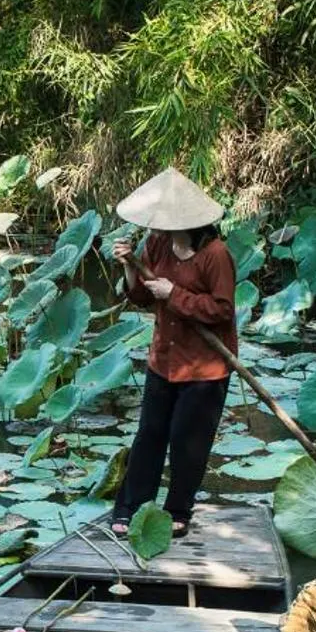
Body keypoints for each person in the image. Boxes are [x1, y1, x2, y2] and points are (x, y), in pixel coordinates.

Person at [107, 168, 237, 538]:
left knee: (187, 440)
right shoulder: (158, 244)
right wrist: (131, 268)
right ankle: (131, 507)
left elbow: (223, 310)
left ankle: (178, 509)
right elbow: (143, 296)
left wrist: (175, 295)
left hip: (205, 368)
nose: (158, 225)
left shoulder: (215, 255)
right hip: (163, 359)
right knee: (149, 434)